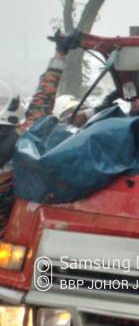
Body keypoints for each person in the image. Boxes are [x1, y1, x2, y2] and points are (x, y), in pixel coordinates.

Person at [0, 30, 81, 234]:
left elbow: (41, 104)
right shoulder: (21, 139)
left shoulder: (18, 139)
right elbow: (42, 104)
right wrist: (60, 54)